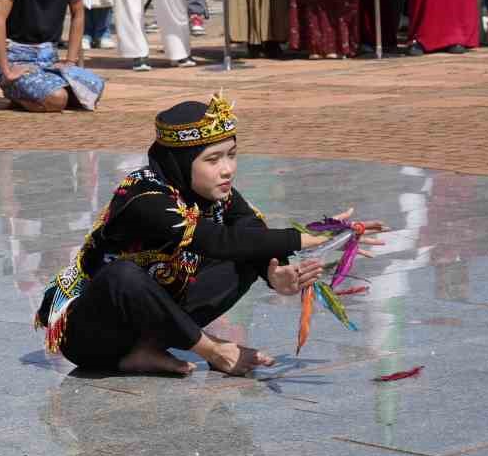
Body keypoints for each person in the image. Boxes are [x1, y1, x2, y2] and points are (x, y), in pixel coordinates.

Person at [33, 94, 382, 376]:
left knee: (247, 254)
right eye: (213, 159)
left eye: (231, 155)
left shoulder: (217, 192)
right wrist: (308, 236)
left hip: (155, 315)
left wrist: (275, 274)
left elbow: (247, 230)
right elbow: (216, 241)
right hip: (90, 334)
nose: (227, 169)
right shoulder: (144, 197)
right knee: (123, 277)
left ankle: (144, 351)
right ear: (181, 163)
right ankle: (209, 349)